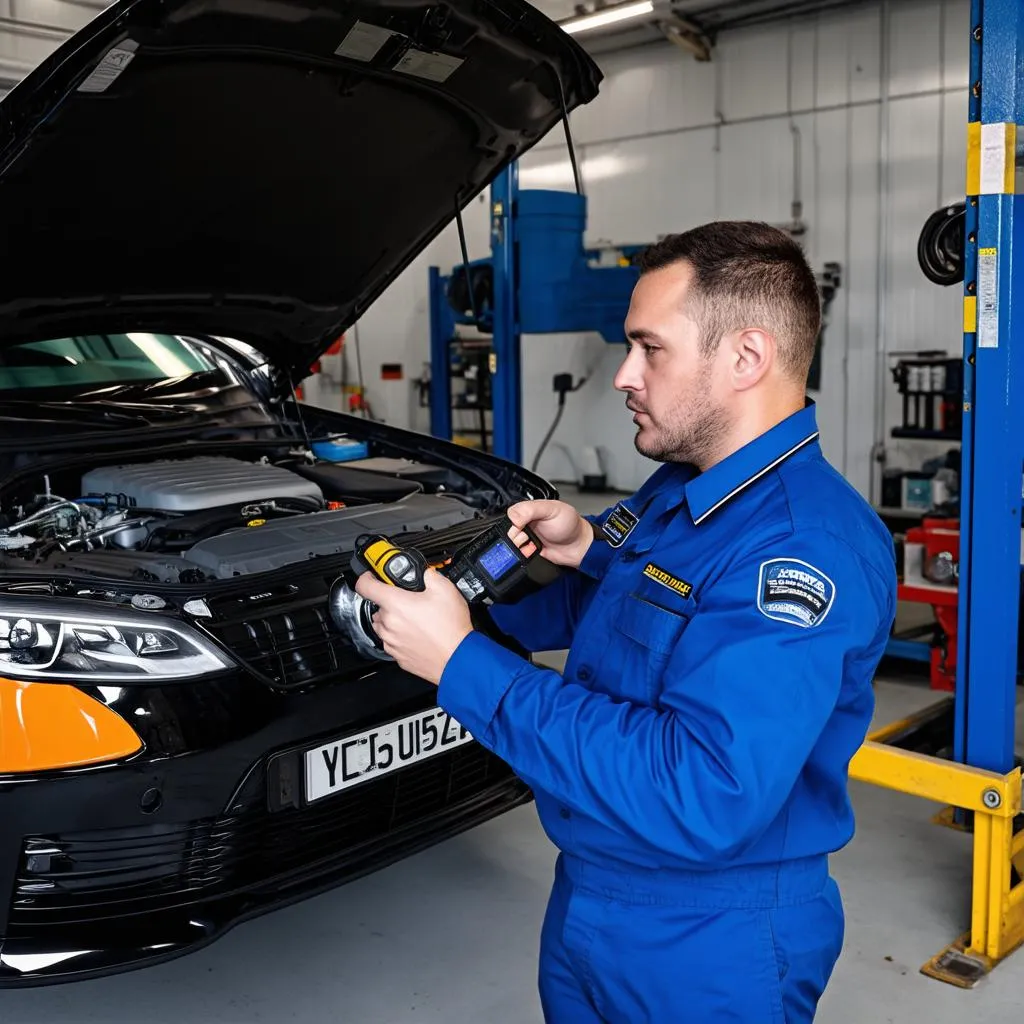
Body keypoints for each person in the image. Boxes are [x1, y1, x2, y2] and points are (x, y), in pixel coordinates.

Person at [354, 221, 897, 1023]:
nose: (624, 375)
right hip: (594, 890)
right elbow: (642, 612)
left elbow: (703, 792)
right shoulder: (678, 491)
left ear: (746, 358)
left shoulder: (800, 551)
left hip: (711, 935)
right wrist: (579, 557)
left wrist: (463, 661)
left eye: (651, 348)